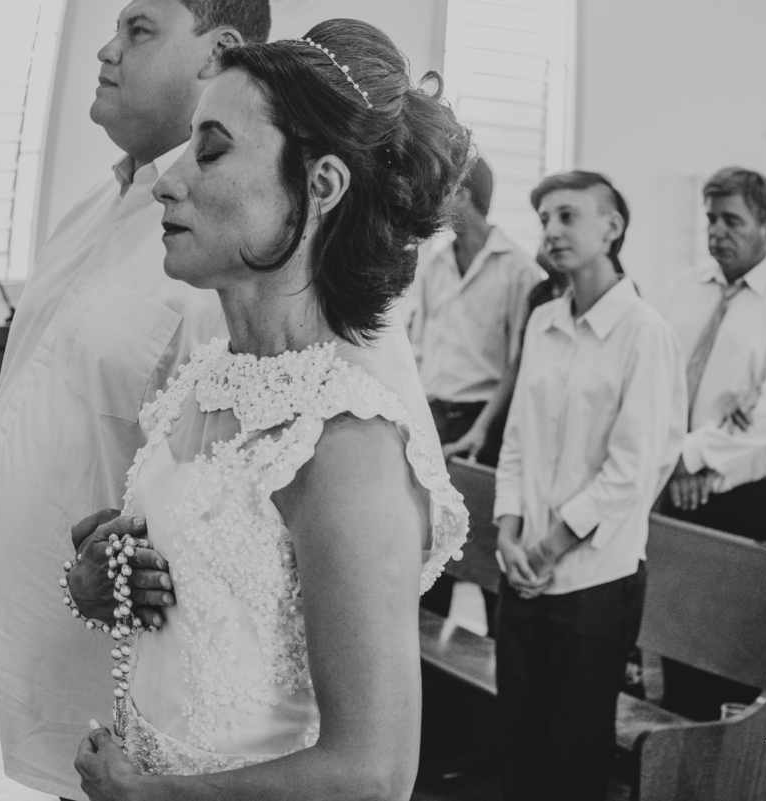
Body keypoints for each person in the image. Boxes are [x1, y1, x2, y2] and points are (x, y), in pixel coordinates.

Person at [69, 22, 470, 797]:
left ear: (320, 187)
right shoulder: (203, 379)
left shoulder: (347, 440)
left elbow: (374, 771)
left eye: (211, 149)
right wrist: (98, 581)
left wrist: (151, 794)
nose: (169, 180)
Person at [0, 2, 271, 798]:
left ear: (216, 54)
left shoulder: (214, 244)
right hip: (52, 661)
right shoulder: (91, 211)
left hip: (133, 690)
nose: (107, 49)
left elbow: (228, 507)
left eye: (139, 30)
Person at [494, 170, 684, 801]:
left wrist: (547, 549)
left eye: (568, 216)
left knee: (572, 748)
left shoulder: (644, 333)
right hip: (524, 567)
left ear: (613, 226)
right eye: (545, 218)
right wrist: (509, 531)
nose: (551, 230)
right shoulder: (545, 321)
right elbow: (516, 440)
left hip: (595, 576)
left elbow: (632, 468)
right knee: (515, 734)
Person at [658, 167, 766, 720]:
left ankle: (723, 755)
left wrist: (692, 456)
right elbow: (657, 382)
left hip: (757, 492)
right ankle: (675, 739)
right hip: (675, 478)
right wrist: (674, 459)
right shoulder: (684, 289)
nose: (716, 232)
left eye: (733, 220)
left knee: (732, 640)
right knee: (678, 622)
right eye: (711, 219)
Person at [412, 157, 544, 468]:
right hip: (430, 414)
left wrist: (482, 428)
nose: (431, 202)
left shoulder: (519, 271)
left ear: (464, 196)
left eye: (441, 192)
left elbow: (518, 362)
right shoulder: (434, 266)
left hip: (482, 420)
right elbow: (420, 345)